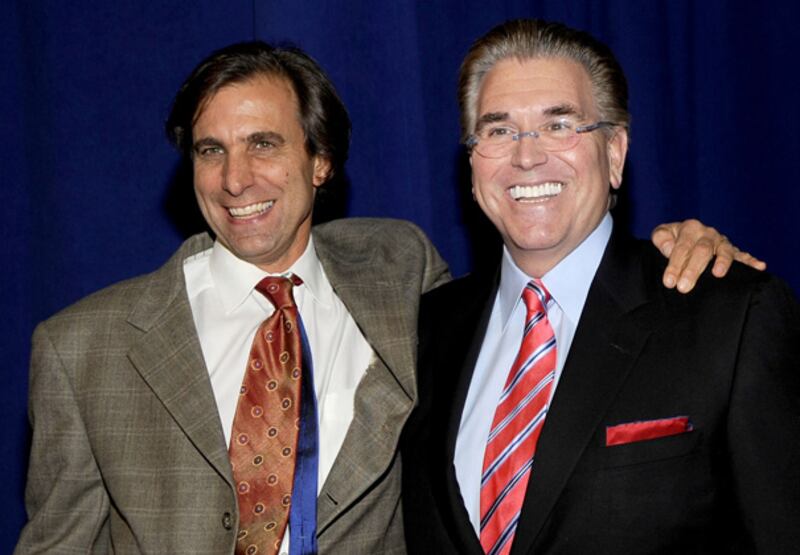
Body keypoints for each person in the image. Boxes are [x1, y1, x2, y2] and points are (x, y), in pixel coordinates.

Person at [16, 41, 760, 555]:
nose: (235, 178)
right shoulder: (82, 348)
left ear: (321, 162)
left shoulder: (402, 274)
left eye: (264, 144)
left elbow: (556, 288)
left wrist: (676, 243)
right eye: (211, 150)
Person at [402, 19, 799, 555]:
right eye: (498, 131)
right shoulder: (422, 331)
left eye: (559, 125)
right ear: (471, 164)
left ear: (614, 153)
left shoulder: (731, 316)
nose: (526, 156)